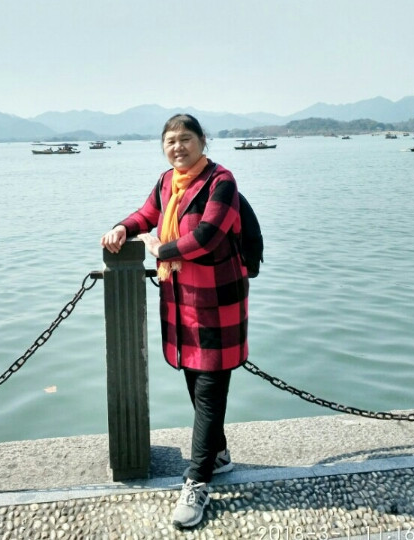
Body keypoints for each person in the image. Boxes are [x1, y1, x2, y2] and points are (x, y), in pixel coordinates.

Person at [100, 113, 249, 530]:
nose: (178, 147)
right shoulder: (168, 182)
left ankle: (197, 480)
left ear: (203, 141)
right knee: (194, 379)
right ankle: (218, 454)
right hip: (181, 302)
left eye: (186, 139)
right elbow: (147, 213)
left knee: (209, 388)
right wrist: (122, 228)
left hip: (217, 303)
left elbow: (207, 237)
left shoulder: (221, 182)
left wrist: (159, 249)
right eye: (170, 141)